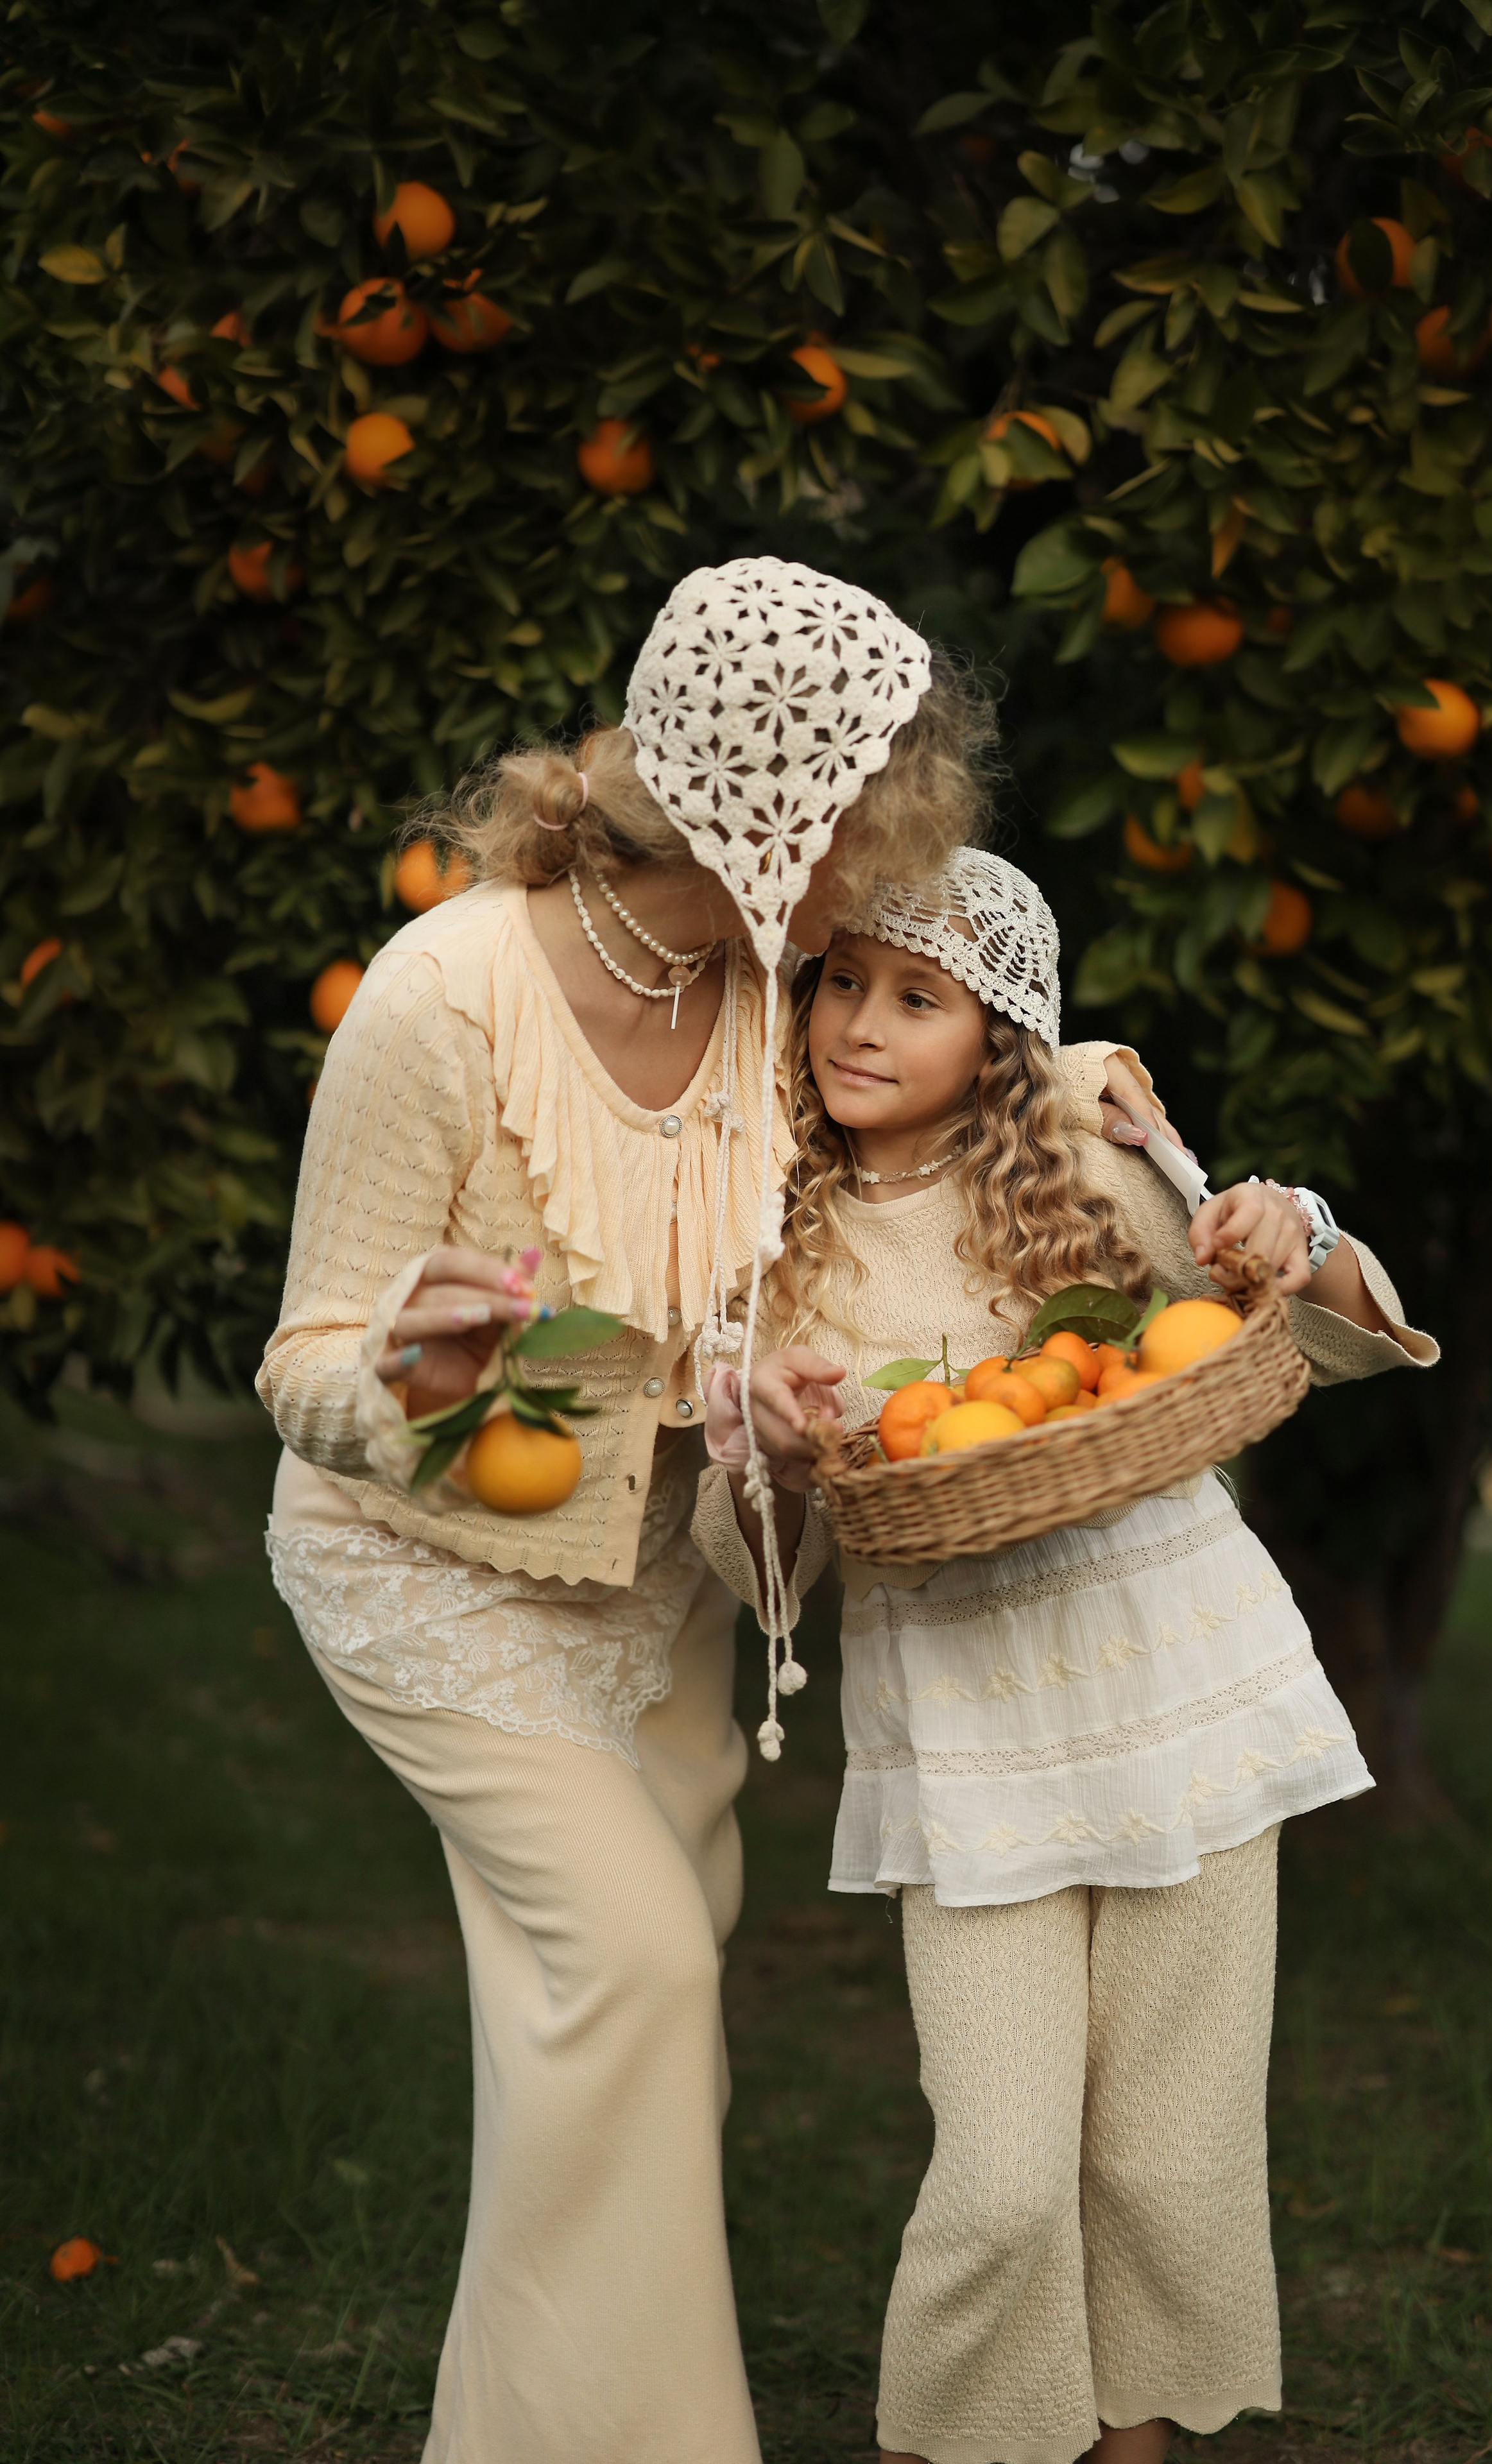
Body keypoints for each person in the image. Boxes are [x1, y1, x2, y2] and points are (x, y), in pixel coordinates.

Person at [256, 557, 995, 2464]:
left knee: (618, 2062)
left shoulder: (773, 1001)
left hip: (656, 1591)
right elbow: (307, 1364)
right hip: (428, 1580)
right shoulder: (447, 996)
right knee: (640, 1974)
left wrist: (755, 1384)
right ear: (778, 823)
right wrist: (452, 1380)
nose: (884, 878)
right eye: (870, 829)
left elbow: (808, 1243)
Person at [692, 848, 1439, 2464]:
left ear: (999, 1038)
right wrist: (758, 1452)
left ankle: (1132, 2444)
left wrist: (1282, 1226)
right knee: (1002, 2173)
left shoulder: (1084, 1176)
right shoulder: (773, 1250)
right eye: (841, 982)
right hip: (968, 1736)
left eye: (917, 998)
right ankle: (957, 2437)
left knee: (1168, 2154)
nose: (857, 1024)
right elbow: (754, 1575)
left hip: (1177, 1684)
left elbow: (1329, 1331)